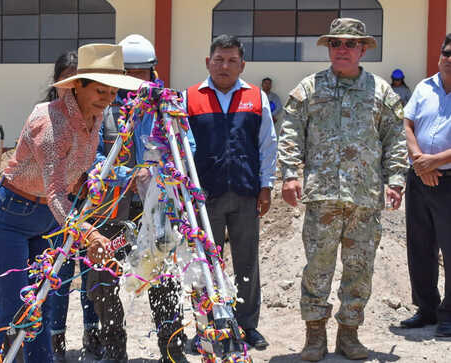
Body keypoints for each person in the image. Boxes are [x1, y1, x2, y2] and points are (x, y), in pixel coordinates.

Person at [0, 43, 143, 363]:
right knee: (15, 309)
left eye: (113, 92)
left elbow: (76, 174)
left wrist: (98, 181)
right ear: (77, 85)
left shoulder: (95, 118)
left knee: (38, 302)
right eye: (100, 90)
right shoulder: (49, 122)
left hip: (48, 219)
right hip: (11, 216)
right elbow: (56, 191)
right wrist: (92, 235)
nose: (108, 99)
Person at [277, 18, 408, 361]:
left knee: (359, 269)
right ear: (329, 49)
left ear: (363, 48)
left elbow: (395, 138)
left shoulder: (381, 91)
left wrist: (395, 180)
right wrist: (290, 175)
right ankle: (314, 337)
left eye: (351, 44)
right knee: (317, 268)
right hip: (322, 197)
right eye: (336, 44)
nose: (343, 49)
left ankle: (349, 335)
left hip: (365, 198)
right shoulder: (309, 88)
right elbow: (290, 132)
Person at [87, 34, 194, 363]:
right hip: (109, 212)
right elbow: (90, 160)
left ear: (153, 72)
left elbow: (187, 151)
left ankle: (171, 350)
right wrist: (128, 176)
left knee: (163, 282)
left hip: (156, 210)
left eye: (141, 72)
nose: (134, 80)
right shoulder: (101, 108)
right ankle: (113, 349)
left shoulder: (169, 107)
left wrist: (158, 174)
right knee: (104, 282)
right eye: (127, 73)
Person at [185, 34, 277, 351]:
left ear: (242, 64)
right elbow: (181, 150)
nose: (225, 66)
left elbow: (268, 144)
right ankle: (206, 327)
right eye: (219, 59)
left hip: (245, 191)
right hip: (203, 197)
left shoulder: (255, 97)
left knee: (246, 263)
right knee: (204, 265)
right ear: (207, 62)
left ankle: (247, 326)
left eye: (232, 60)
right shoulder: (190, 98)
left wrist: (266, 186)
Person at [43, 51, 104, 363]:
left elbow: (102, 156)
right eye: (68, 80)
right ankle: (55, 340)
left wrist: (96, 173)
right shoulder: (47, 118)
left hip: (87, 208)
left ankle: (92, 335)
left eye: (82, 81)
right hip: (57, 211)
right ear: (58, 83)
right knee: (59, 275)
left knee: (91, 273)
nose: (74, 88)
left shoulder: (96, 116)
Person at [399, 33, 451, 337]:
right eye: (446, 52)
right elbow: (408, 123)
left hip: (448, 180)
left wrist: (435, 161)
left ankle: (450, 314)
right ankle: (426, 308)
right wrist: (420, 161)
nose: (449, 59)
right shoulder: (424, 87)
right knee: (420, 247)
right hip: (419, 178)